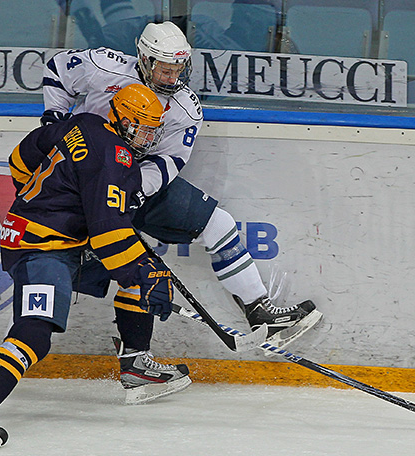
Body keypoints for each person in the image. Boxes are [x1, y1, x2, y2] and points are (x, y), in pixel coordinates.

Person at [40, 21, 322, 399]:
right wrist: (55, 121)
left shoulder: (186, 108)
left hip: (135, 182)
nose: (172, 77)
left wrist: (132, 193)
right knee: (137, 266)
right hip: (80, 182)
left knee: (217, 223)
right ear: (144, 60)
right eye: (164, 69)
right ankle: (136, 362)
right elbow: (58, 68)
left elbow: (168, 161)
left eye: (178, 69)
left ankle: (261, 312)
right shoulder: (105, 67)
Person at [0, 84, 184, 449]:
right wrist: (140, 271)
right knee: (35, 333)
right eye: (143, 129)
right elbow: (108, 233)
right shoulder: (115, 158)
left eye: (153, 130)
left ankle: (135, 364)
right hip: (41, 248)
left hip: (58, 238)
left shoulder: (83, 122)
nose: (149, 138)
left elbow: (20, 159)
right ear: (123, 120)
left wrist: (49, 200)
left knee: (145, 271)